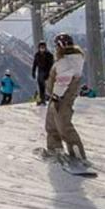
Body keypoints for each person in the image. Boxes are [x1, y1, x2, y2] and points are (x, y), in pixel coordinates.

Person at [43, 33, 87, 164]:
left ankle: (75, 152)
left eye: (56, 46)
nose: (55, 48)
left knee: (62, 124)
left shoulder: (66, 61)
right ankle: (56, 149)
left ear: (61, 46)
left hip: (61, 98)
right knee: (51, 123)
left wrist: (56, 96)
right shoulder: (72, 58)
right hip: (59, 96)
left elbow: (63, 81)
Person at [31, 42, 54, 106]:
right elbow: (35, 64)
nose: (42, 48)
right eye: (41, 47)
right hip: (40, 72)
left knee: (49, 87)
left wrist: (48, 73)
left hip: (46, 72)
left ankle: (53, 100)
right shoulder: (37, 55)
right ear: (39, 47)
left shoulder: (49, 55)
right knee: (41, 87)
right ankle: (42, 100)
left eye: (43, 47)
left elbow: (51, 65)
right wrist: (33, 71)